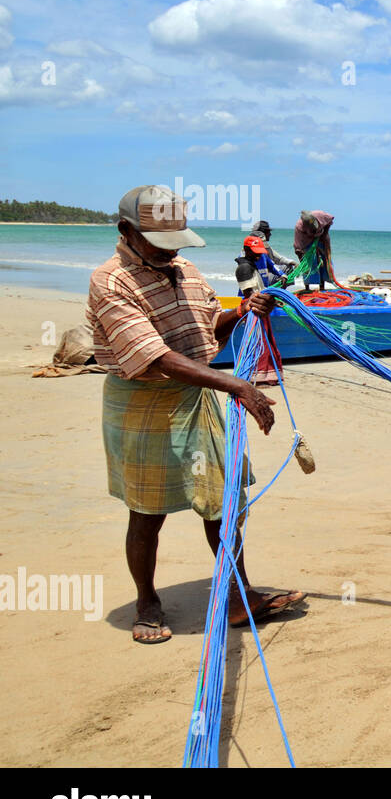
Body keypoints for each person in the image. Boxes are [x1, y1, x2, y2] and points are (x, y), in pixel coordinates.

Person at [88, 185, 305, 645]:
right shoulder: (110, 282)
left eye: (176, 243)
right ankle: (147, 601)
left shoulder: (184, 269)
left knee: (223, 501)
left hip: (200, 396)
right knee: (147, 511)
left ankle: (237, 594)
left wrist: (244, 310)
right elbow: (156, 358)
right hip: (144, 404)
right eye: (159, 243)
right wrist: (239, 385)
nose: (171, 253)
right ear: (126, 231)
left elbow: (208, 331)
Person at [293, 209, 334, 291]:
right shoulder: (299, 227)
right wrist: (301, 260)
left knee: (324, 261)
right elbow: (297, 247)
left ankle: (322, 287)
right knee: (308, 263)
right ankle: (307, 288)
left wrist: (325, 233)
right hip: (307, 241)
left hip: (322, 238)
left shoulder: (320, 214)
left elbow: (330, 220)